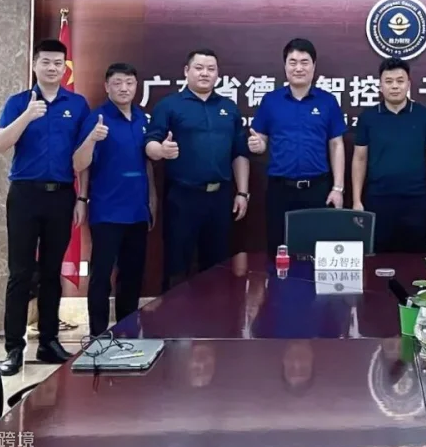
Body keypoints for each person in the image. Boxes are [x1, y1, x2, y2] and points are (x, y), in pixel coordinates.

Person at [0, 38, 90, 375]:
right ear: (34, 65)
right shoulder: (19, 102)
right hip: (25, 195)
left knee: (51, 272)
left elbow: (83, 158)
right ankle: (13, 348)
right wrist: (26, 117)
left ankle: (48, 341)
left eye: (58, 63)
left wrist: (82, 198)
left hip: (61, 196)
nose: (52, 68)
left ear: (65, 68)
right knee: (20, 273)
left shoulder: (77, 104)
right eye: (45, 62)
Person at [145, 49, 250, 291]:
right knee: (177, 265)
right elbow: (149, 145)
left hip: (220, 198)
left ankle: (214, 315)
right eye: (199, 68)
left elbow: (239, 153)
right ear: (186, 71)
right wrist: (162, 150)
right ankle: (174, 315)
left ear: (218, 74)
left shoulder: (228, 108)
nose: (205, 73)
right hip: (183, 197)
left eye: (211, 69)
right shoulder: (169, 106)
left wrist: (242, 192)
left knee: (218, 267)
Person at [73, 63, 156, 337]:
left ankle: (127, 330)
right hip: (107, 210)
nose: (124, 88)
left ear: (136, 86)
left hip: (137, 211)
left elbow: (147, 165)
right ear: (107, 86)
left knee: (132, 276)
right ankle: (97, 334)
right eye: (118, 83)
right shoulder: (96, 119)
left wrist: (151, 200)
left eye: (129, 83)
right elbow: (78, 163)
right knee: (101, 276)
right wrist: (91, 140)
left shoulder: (143, 119)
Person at [248, 38, 346, 255]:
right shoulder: (271, 101)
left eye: (304, 62)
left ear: (314, 66)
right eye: (292, 62)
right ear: (285, 66)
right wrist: (257, 145)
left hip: (317, 189)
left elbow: (336, 145)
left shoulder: (327, 101)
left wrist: (337, 188)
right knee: (279, 251)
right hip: (280, 189)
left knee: (317, 252)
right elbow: (260, 141)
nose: (298, 68)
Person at [351, 57, 426, 252]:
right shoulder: (368, 117)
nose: (395, 86)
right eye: (389, 81)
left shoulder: (424, 116)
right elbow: (360, 158)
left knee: (416, 259)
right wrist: (357, 201)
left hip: (416, 200)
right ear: (380, 85)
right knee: (378, 257)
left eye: (400, 81)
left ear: (409, 84)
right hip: (378, 199)